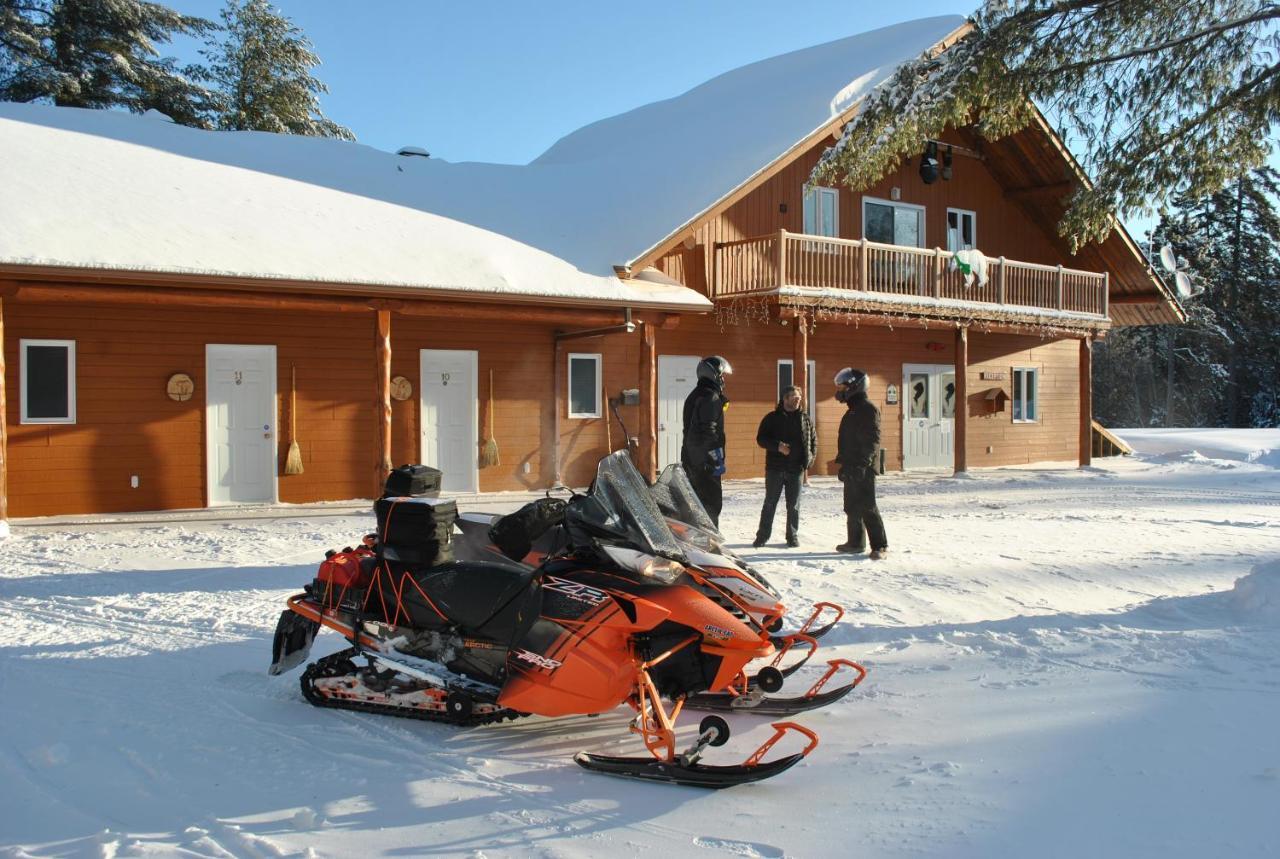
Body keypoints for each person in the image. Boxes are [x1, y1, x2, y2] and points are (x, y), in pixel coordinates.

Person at [834, 367, 888, 559]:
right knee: (851, 506)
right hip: (850, 466)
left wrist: (862, 464)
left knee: (867, 505)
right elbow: (846, 440)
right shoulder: (851, 412)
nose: (839, 391)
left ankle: (879, 546)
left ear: (854, 387)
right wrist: (843, 464)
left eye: (842, 387)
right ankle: (855, 542)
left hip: (864, 467)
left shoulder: (867, 409)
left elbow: (872, 440)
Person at [753, 385, 816, 548]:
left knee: (793, 505)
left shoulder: (805, 419)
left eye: (799, 398)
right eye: (794, 398)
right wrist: (778, 446)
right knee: (770, 503)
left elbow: (814, 441)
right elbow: (761, 439)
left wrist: (810, 459)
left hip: (796, 469)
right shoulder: (772, 418)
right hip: (775, 468)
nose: (798, 401)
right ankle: (762, 536)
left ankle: (792, 536)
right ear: (785, 399)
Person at [681, 355, 732, 526]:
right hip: (705, 463)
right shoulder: (710, 398)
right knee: (711, 505)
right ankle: (709, 544)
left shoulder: (695, 395)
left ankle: (700, 541)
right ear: (713, 375)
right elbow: (707, 434)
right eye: (722, 375)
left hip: (693, 460)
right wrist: (713, 462)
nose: (723, 379)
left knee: (697, 506)